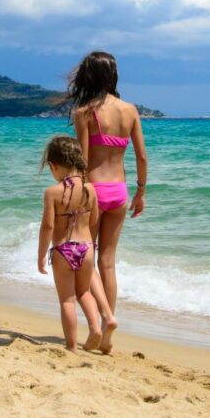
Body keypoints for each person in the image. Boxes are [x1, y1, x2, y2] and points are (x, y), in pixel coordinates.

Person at [68, 51, 147, 353]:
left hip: (95, 191)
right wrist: (141, 192)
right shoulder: (130, 111)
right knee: (108, 262)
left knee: (84, 260)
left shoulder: (85, 112)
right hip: (120, 192)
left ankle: (100, 323)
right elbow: (141, 155)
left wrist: (74, 192)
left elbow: (84, 160)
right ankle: (108, 332)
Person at [37, 135, 117, 353]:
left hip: (63, 250)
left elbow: (47, 227)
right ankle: (96, 328)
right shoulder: (90, 189)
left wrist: (42, 255)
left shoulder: (52, 193)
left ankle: (71, 346)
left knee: (67, 301)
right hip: (88, 248)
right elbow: (93, 220)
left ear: (53, 165)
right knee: (84, 293)